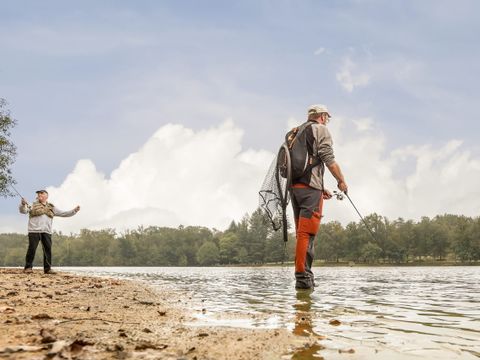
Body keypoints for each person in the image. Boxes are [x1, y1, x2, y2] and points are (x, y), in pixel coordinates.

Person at [291, 104, 348, 290]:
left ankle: (303, 280)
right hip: (309, 191)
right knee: (307, 234)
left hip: (294, 189)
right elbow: (328, 158)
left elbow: (303, 164)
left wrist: (321, 187)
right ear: (322, 116)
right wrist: (341, 181)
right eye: (327, 118)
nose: (327, 121)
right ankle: (303, 279)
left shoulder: (297, 131)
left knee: (301, 233)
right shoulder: (320, 129)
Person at [19, 190, 80, 274]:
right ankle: (28, 268)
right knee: (32, 249)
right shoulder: (32, 205)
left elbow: (63, 213)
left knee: (47, 250)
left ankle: (47, 269)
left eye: (42, 193)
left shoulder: (52, 207)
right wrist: (23, 204)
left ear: (46, 196)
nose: (39, 194)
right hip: (34, 231)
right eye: (38, 193)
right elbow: (23, 211)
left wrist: (74, 211)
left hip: (47, 232)